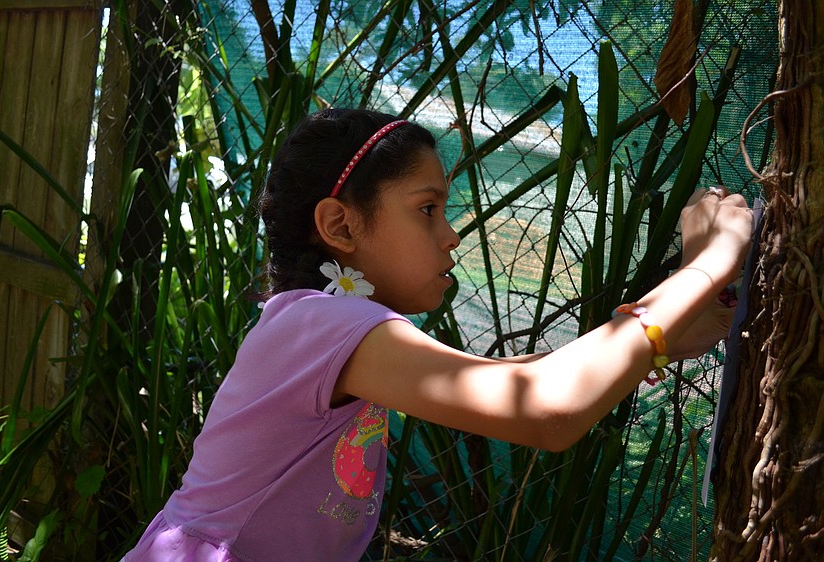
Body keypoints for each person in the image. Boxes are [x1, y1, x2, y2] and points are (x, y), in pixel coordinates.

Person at [123, 108, 753, 561]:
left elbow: (529, 382)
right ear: (340, 225)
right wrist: (709, 263)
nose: (451, 234)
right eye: (428, 209)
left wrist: (689, 325)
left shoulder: (321, 328)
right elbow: (546, 404)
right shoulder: (322, 321)